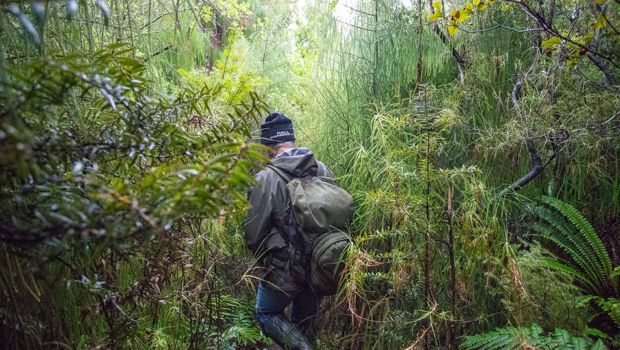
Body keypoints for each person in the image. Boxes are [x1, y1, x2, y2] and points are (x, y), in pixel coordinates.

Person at [245, 112, 333, 350]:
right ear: (291, 140)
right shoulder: (320, 168)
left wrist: (270, 261)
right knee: (303, 321)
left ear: (268, 146)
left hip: (285, 269)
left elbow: (254, 234)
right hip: (321, 263)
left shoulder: (266, 178)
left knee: (265, 313)